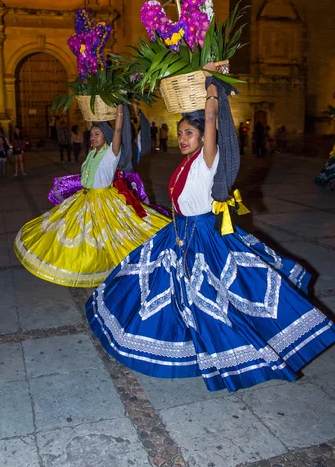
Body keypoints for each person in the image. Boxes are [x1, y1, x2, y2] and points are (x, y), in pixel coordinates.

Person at [86, 67, 335, 393]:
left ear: (204, 137)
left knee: (214, 299)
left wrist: (212, 91)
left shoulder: (208, 160)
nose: (183, 138)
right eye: (181, 133)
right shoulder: (185, 163)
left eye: (189, 133)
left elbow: (213, 121)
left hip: (203, 238)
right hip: (178, 235)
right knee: (153, 285)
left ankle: (241, 350)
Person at [14, 106, 170, 288]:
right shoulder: (91, 153)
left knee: (112, 236)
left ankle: (127, 267)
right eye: (91, 134)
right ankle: (86, 265)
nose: (93, 137)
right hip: (85, 198)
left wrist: (119, 110)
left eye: (97, 134)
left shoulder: (112, 153)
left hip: (104, 200)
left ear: (106, 136)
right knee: (77, 233)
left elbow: (118, 130)